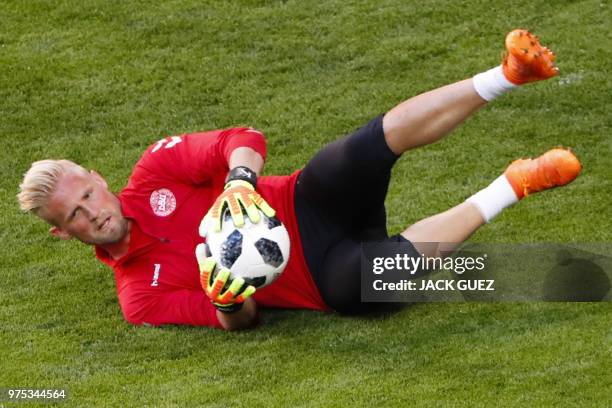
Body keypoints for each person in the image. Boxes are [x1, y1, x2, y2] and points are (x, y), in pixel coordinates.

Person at [18, 29, 581, 330]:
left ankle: (506, 76)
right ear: (63, 234)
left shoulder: (155, 168)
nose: (92, 212)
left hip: (304, 203)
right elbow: (239, 323)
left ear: (97, 179)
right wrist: (226, 294)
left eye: (87, 195)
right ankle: (515, 184)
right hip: (316, 278)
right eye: (74, 215)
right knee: (375, 281)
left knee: (352, 154)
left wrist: (239, 182)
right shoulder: (139, 297)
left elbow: (244, 138)